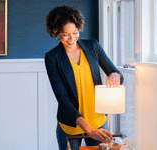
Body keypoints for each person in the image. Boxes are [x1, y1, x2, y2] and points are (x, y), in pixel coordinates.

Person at [44, 5, 124, 150]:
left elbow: (115, 72)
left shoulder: (93, 46)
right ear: (56, 33)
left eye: (75, 32)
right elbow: (62, 98)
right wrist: (88, 130)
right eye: (65, 34)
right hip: (70, 124)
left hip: (98, 120)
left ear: (79, 28)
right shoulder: (52, 57)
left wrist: (114, 74)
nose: (71, 38)